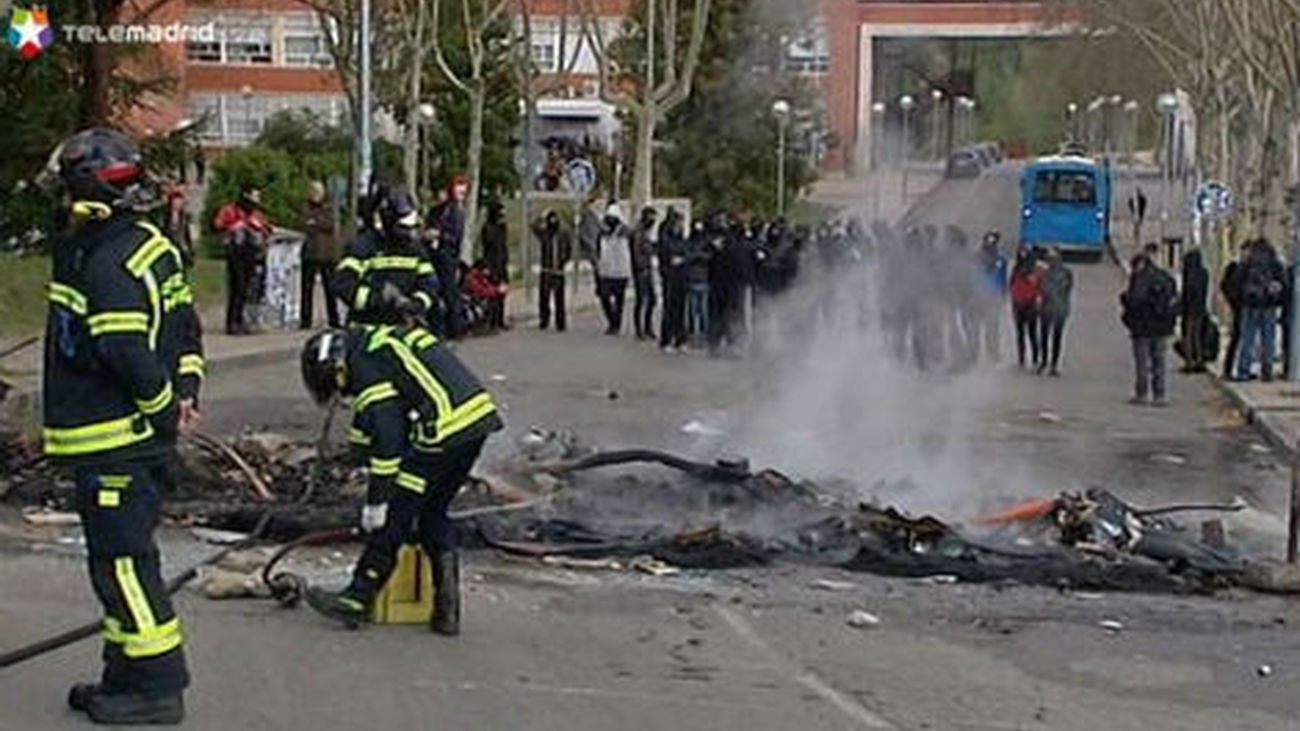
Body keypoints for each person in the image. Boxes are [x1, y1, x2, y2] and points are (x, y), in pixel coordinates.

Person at [44, 128, 205, 724]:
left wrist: (161, 407)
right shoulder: (151, 244)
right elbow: (185, 329)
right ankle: (124, 674)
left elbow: (124, 350)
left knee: (124, 566)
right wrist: (185, 391)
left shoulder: (107, 258)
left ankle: (157, 685)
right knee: (118, 561)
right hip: (133, 441)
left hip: (114, 438)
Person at [301, 325, 502, 634]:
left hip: (441, 429)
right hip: (475, 422)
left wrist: (376, 502)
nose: (340, 394)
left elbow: (388, 441)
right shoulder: (377, 345)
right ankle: (447, 608)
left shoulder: (366, 369)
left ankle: (358, 597)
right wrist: (356, 451)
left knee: (396, 510)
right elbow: (382, 414)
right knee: (434, 511)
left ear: (335, 368)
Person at [335, 187, 439, 329]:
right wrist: (380, 298)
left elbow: (430, 283)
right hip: (366, 328)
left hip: (404, 327)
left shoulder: (415, 250)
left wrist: (417, 303)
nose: (410, 233)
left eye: (412, 227)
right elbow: (343, 284)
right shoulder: (363, 247)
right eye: (404, 227)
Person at [1121, 254, 1179, 405]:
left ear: (1140, 264)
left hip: (1143, 327)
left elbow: (1135, 301)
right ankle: (1159, 394)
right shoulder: (1166, 277)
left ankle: (1142, 393)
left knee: (1142, 362)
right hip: (1161, 327)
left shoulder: (1140, 279)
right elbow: (1174, 300)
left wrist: (1125, 301)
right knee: (1159, 361)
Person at [213, 186, 272, 335]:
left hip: (251, 255)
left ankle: (242, 321)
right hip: (235, 254)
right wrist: (232, 227)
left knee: (247, 288)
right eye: (254, 197)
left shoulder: (256, 214)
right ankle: (232, 322)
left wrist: (260, 228)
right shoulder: (230, 210)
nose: (256, 202)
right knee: (236, 288)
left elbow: (267, 228)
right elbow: (217, 224)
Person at [1236, 238, 1287, 381]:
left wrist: (1241, 301)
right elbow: (1284, 283)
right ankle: (1267, 371)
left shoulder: (1247, 261)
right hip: (1269, 305)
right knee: (1268, 340)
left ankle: (1243, 371)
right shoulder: (1274, 262)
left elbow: (1237, 281)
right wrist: (1279, 300)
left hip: (1250, 304)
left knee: (1247, 338)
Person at [431, 175, 469, 338]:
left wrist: (440, 235)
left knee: (449, 291)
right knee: (440, 290)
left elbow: (455, 236)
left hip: (447, 255)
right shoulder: (442, 210)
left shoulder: (456, 211)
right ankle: (444, 325)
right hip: (438, 253)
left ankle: (454, 327)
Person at [300, 181, 341, 330]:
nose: (316, 195)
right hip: (310, 253)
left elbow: (329, 224)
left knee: (330, 288)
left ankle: (334, 319)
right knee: (306, 288)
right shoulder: (305, 206)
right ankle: (305, 320)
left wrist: (315, 222)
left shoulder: (328, 207)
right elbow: (305, 223)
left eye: (318, 192)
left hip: (326, 253)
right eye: (313, 192)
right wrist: (314, 222)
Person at [595, 202, 632, 335]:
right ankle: (612, 320)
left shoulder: (625, 232)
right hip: (605, 271)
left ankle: (616, 324)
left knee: (619, 299)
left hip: (621, 271)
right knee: (604, 297)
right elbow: (598, 250)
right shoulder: (602, 232)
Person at [1037, 248, 1073, 376]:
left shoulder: (1066, 273)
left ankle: (1053, 364)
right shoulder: (1044, 273)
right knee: (1044, 337)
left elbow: (1066, 289)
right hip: (1047, 309)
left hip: (1059, 309)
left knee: (1056, 338)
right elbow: (1041, 288)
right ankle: (1044, 362)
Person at [656, 207, 689, 352]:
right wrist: (673, 259)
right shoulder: (665, 238)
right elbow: (666, 255)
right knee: (669, 309)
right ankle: (666, 340)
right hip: (669, 276)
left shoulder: (680, 239)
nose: (680, 226)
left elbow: (687, 252)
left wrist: (684, 258)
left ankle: (680, 339)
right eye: (679, 223)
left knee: (680, 309)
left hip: (681, 276)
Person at [973, 231, 1008, 363]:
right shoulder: (976, 258)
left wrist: (1003, 293)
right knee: (977, 328)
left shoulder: (1001, 260)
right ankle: (975, 353)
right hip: (979, 295)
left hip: (993, 297)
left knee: (992, 328)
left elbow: (1003, 278)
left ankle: (992, 354)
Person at [534, 210, 571, 331]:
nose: (553, 222)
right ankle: (544, 320)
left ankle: (560, 323)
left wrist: (564, 261)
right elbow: (533, 226)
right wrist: (541, 216)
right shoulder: (544, 233)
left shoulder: (563, 234)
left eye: (555, 219)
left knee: (559, 298)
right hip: (546, 269)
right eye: (550, 220)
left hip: (559, 270)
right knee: (544, 297)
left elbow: (568, 249)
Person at [1008, 247, 1043, 369]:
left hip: (1031, 305)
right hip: (1018, 305)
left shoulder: (1037, 271)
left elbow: (1041, 288)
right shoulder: (1016, 269)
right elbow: (1011, 285)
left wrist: (1038, 301)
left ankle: (1035, 358)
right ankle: (1021, 359)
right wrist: (1014, 301)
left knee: (1032, 333)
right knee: (1020, 334)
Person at [1179, 249, 1210, 373]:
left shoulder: (1189, 274)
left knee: (1189, 336)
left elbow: (1187, 292)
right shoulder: (1203, 273)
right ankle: (1199, 360)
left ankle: (1189, 362)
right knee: (1197, 335)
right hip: (1201, 308)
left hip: (1190, 309)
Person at [631, 206, 659, 341]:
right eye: (651, 217)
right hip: (641, 270)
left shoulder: (646, 231)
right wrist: (641, 268)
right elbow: (636, 252)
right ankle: (639, 329)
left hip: (647, 268)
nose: (653, 220)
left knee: (652, 300)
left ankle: (648, 327)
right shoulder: (639, 231)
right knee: (641, 300)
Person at [480, 201, 509, 330]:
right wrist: (487, 266)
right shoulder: (488, 228)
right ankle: (491, 320)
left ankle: (500, 319)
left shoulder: (502, 228)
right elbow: (488, 245)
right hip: (492, 263)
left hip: (502, 263)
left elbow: (503, 246)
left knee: (502, 291)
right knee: (492, 292)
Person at [683, 219, 712, 344]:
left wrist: (698, 256)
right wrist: (698, 256)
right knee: (692, 310)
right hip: (692, 280)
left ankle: (703, 334)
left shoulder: (706, 242)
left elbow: (709, 257)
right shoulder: (689, 242)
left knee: (703, 311)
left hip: (704, 280)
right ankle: (691, 334)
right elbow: (687, 256)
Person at [1220, 252, 1246, 378]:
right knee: (1237, 339)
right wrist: (1234, 301)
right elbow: (1224, 285)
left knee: (1240, 339)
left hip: (1241, 307)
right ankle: (1229, 369)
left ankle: (1234, 369)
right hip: (1240, 308)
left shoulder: (1242, 267)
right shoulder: (1235, 267)